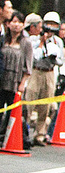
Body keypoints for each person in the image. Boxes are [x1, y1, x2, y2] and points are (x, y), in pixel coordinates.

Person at [24, 12, 65, 145]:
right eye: (48, 24)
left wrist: (54, 55)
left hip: (50, 72)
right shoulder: (35, 39)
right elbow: (34, 57)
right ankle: (24, 132)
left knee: (45, 105)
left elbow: (61, 61)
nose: (51, 28)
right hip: (36, 71)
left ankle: (40, 135)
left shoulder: (57, 41)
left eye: (54, 25)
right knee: (29, 101)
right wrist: (42, 43)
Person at [1, 11, 32, 139]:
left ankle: (6, 135)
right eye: (14, 21)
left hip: (16, 81)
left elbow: (28, 66)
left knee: (11, 110)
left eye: (19, 22)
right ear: (8, 24)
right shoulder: (3, 40)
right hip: (2, 79)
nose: (16, 25)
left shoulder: (26, 43)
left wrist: (23, 83)